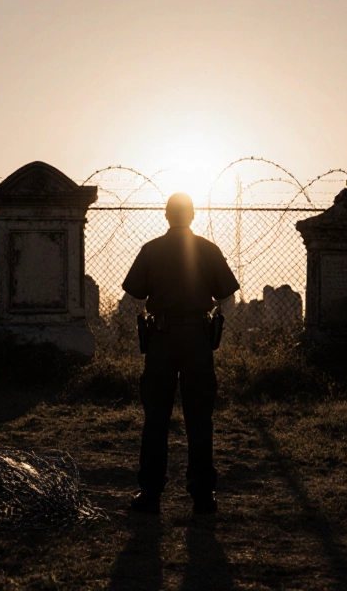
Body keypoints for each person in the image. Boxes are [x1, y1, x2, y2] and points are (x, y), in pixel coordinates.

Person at [121, 192, 240, 515]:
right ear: (193, 215)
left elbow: (134, 293)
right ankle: (203, 495)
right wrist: (208, 314)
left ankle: (150, 494)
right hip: (198, 340)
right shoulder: (208, 249)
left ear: (166, 215)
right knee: (200, 418)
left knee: (156, 418)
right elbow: (227, 294)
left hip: (160, 339)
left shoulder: (151, 249)